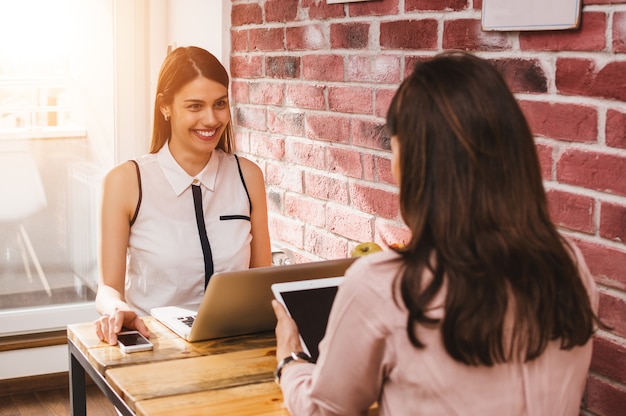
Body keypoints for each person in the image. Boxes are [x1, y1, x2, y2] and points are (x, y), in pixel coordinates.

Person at [272, 51, 603, 415]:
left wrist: (291, 360)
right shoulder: (568, 264)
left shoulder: (387, 285)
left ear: (413, 163)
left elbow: (326, 411)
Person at [95, 46, 272, 345]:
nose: (211, 119)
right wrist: (118, 309)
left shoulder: (248, 176)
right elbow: (108, 289)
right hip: (157, 343)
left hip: (235, 342)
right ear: (165, 107)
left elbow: (262, 278)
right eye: (194, 106)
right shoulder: (125, 181)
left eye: (219, 104)